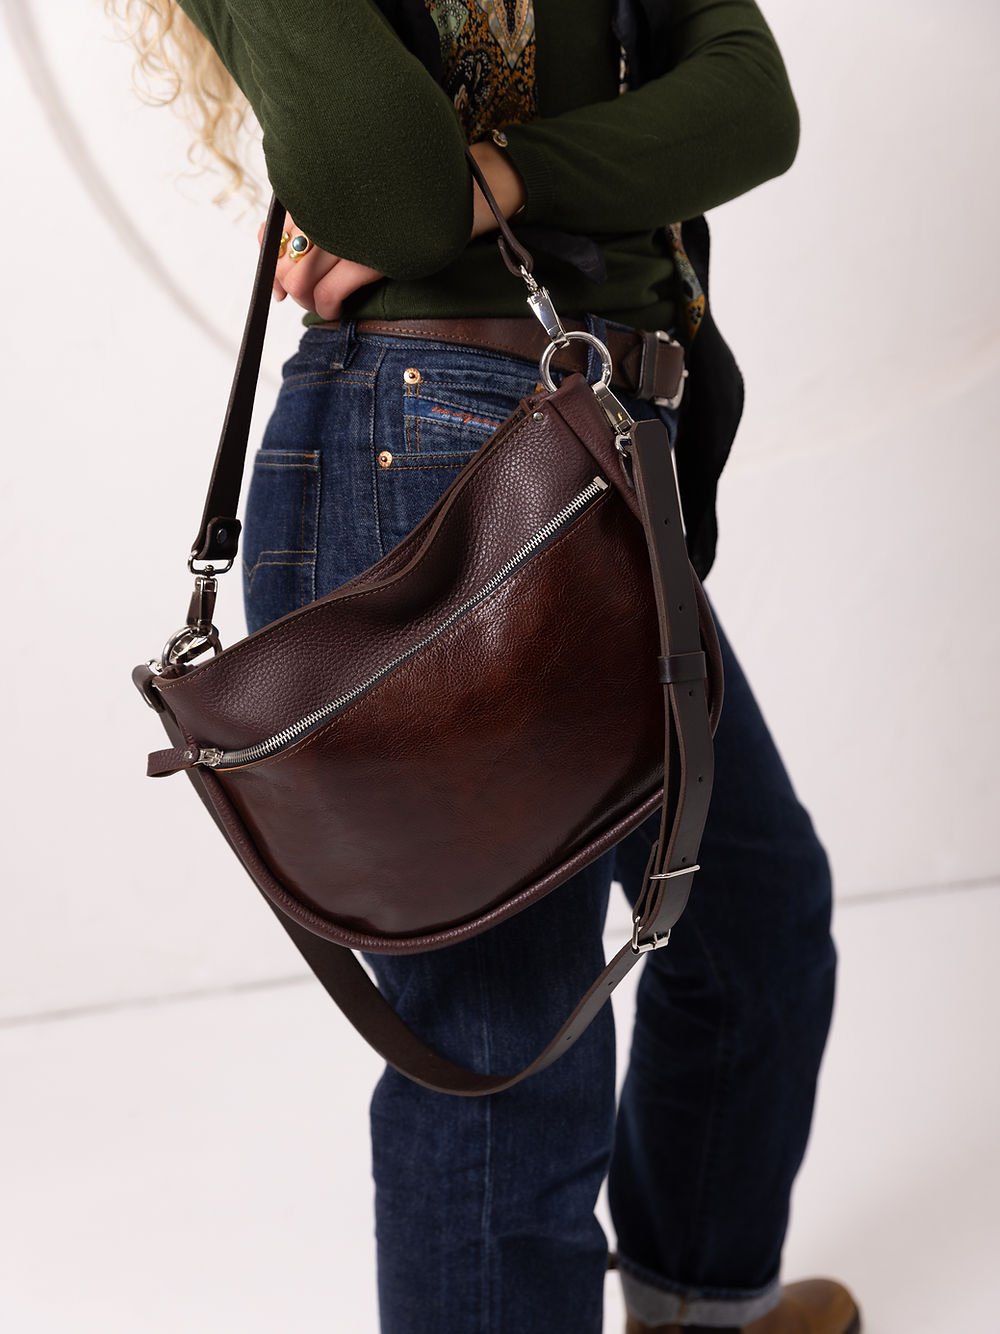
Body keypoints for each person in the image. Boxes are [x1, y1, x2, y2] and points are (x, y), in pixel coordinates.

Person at [108, 2, 860, 1331]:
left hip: (598, 454)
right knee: (507, 1051)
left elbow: (752, 102)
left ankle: (695, 1307)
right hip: (430, 449)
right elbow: (392, 188)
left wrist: (503, 174)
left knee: (752, 915)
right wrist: (482, 186)